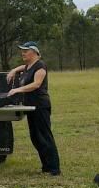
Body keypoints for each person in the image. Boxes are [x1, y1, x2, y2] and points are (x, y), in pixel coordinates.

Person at [7, 41, 61, 176]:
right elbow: (23, 67)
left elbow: (36, 84)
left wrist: (17, 90)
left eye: (26, 50)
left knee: (44, 137)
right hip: (31, 107)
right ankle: (46, 167)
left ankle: (54, 169)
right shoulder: (29, 66)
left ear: (34, 52)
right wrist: (14, 70)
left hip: (41, 106)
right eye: (22, 50)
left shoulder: (40, 66)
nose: (23, 53)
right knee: (35, 137)